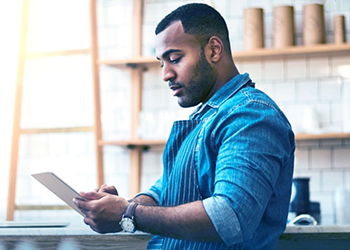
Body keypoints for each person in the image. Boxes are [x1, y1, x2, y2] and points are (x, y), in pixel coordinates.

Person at [74, 3, 295, 249]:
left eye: (175, 59)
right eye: (161, 63)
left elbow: (231, 216)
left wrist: (129, 213)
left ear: (213, 49)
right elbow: (163, 192)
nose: (165, 74)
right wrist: (118, 207)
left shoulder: (251, 116)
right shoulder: (207, 116)